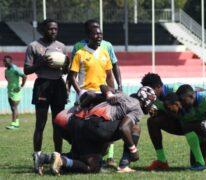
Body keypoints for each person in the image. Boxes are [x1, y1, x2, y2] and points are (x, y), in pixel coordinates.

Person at [34, 86, 156, 175]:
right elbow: (124, 128)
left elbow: (101, 87)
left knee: (92, 165)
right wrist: (133, 150)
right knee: (134, 127)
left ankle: (48, 158)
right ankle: (124, 164)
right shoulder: (137, 108)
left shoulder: (122, 95)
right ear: (147, 102)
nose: (152, 107)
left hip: (79, 124)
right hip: (93, 126)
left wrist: (108, 94)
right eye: (151, 103)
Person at [24, 19, 69, 175]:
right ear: (44, 29)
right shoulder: (33, 46)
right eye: (50, 29)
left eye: (56, 29)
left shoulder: (61, 47)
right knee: (40, 124)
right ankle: (37, 157)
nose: (53, 31)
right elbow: (26, 70)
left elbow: (64, 72)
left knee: (59, 124)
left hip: (58, 85)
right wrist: (40, 63)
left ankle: (57, 158)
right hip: (42, 85)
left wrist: (66, 65)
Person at [69, 25, 116, 166]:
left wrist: (112, 90)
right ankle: (80, 154)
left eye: (101, 34)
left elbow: (109, 75)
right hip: (86, 96)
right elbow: (72, 76)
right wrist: (80, 92)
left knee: (108, 124)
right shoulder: (80, 54)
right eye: (96, 34)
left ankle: (108, 157)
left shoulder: (104, 53)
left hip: (102, 95)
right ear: (89, 36)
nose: (99, 36)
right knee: (83, 127)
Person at [140, 73, 189, 170]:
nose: (148, 93)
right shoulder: (151, 97)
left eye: (150, 90)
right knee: (152, 122)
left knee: (202, 162)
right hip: (179, 124)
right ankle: (162, 161)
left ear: (158, 87)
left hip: (194, 124)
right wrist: (148, 106)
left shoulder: (176, 89)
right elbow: (154, 115)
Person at [70, 19, 122, 91]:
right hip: (85, 93)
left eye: (100, 33)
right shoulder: (79, 49)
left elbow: (111, 72)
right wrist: (74, 91)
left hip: (102, 92)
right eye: (95, 32)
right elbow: (72, 74)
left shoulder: (106, 48)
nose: (99, 36)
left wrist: (116, 88)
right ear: (88, 34)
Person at [3, 55, 27, 129]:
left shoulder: (15, 69)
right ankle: (16, 124)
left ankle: (13, 124)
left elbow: (24, 76)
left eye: (6, 62)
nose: (4, 63)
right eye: (4, 62)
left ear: (10, 62)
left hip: (16, 91)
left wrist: (21, 86)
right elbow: (7, 78)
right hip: (10, 90)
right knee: (13, 108)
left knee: (14, 108)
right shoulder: (6, 70)